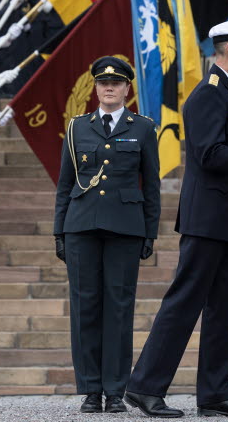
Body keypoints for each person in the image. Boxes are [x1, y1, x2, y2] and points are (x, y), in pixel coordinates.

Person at [125, 20, 228, 419]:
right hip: (208, 218)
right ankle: (145, 387)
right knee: (184, 302)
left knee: (223, 306)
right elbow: (210, 156)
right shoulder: (208, 95)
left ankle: (216, 392)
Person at [53, 57, 161, 414]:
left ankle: (115, 390)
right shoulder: (76, 127)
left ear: (127, 88)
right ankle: (90, 389)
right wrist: (59, 231)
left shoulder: (143, 127)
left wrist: (150, 231)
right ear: (96, 88)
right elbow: (65, 183)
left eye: (116, 83)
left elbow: (152, 184)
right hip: (81, 226)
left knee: (118, 308)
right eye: (102, 83)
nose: (109, 88)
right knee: (85, 307)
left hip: (125, 227)